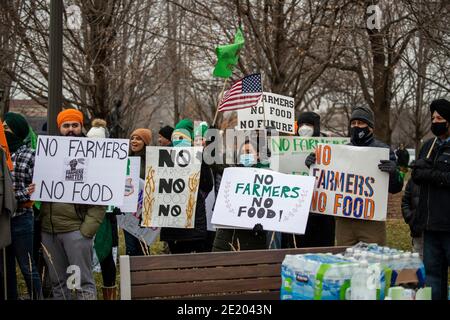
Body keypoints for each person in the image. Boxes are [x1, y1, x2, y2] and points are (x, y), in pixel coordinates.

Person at [306, 106, 403, 246]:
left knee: (373, 264)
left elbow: (396, 187)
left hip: (371, 222)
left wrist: (394, 173)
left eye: (361, 123)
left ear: (370, 128)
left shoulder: (383, 151)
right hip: (344, 221)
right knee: (344, 262)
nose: (356, 126)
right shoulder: (340, 152)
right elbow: (327, 181)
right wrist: (314, 166)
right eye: (353, 123)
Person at [39, 109, 105, 300]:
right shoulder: (48, 153)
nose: (70, 129)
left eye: (74, 125)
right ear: (59, 128)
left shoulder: (95, 155)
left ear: (81, 127)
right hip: (49, 231)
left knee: (82, 282)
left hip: (76, 230)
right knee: (58, 282)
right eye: (65, 125)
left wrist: (86, 230)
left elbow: (100, 194)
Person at [411, 98, 450, 300]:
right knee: (433, 278)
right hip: (430, 225)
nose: (435, 121)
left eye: (440, 118)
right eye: (433, 117)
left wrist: (431, 174)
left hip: (448, 224)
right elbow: (417, 176)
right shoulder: (428, 145)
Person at [0, 112, 42, 300]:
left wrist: (15, 196)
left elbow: (37, 190)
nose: (3, 132)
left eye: (6, 128)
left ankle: (37, 296)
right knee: (5, 266)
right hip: (3, 219)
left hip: (22, 219)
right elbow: (25, 191)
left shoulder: (30, 155)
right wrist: (21, 194)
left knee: (27, 266)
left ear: (16, 131)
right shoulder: (1, 153)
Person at [160, 118, 213, 253]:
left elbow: (207, 186)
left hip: (187, 223)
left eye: (181, 137)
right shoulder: (163, 157)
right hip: (178, 222)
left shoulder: (197, 157)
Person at [283, 112, 335, 249]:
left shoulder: (329, 146)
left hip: (322, 212)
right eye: (301, 125)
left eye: (309, 125)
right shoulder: (288, 146)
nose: (304, 128)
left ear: (316, 127)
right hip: (297, 210)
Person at [213, 140, 268, 252]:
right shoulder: (230, 172)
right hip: (227, 235)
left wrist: (265, 223)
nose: (245, 155)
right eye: (242, 153)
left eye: (248, 151)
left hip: (254, 237)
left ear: (257, 155)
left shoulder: (267, 177)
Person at [86, 119, 118, 300]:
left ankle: (109, 295)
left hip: (107, 217)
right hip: (84, 216)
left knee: (107, 258)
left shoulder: (115, 162)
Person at [121, 128, 153, 256]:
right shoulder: (125, 159)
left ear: (145, 142)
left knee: (142, 245)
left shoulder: (151, 161)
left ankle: (145, 273)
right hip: (128, 210)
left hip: (143, 210)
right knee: (130, 247)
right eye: (132, 138)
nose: (134, 141)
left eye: (138, 139)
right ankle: (131, 275)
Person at [401, 179, 422, 258]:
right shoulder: (413, 180)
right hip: (418, 231)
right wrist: (410, 218)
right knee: (418, 262)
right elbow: (405, 201)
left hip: (438, 231)